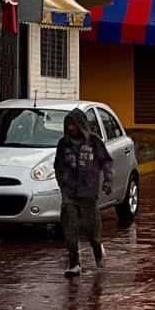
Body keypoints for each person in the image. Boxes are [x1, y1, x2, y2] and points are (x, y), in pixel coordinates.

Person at [54, 109, 113, 278]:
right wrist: (62, 182)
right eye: (68, 125)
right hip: (69, 193)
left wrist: (108, 181)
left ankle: (98, 256)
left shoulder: (94, 142)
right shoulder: (63, 144)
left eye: (74, 124)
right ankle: (74, 263)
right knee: (70, 229)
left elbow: (106, 161)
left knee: (92, 230)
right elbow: (58, 165)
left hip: (88, 192)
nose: (71, 128)